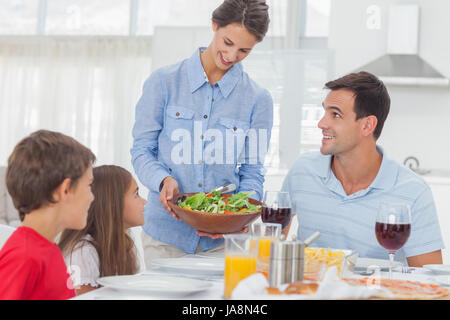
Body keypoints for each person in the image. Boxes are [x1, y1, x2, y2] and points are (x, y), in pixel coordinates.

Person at [131, 0, 273, 264]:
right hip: (165, 236)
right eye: (227, 42)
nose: (231, 56)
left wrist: (243, 213)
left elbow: (252, 170)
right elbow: (142, 150)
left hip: (224, 243)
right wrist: (163, 180)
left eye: (244, 50)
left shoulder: (258, 99)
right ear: (214, 25)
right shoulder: (163, 82)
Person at [281, 71, 444, 267]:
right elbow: (271, 243)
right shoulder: (302, 170)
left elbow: (428, 279)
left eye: (335, 115)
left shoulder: (413, 191)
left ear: (367, 125)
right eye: (324, 112)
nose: (321, 123)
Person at [0, 130, 95, 300]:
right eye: (89, 186)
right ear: (65, 190)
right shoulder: (24, 256)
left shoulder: (48, 249)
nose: (92, 196)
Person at [59, 165, 146, 296]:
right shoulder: (82, 252)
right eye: (136, 195)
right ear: (113, 204)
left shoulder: (126, 244)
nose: (144, 202)